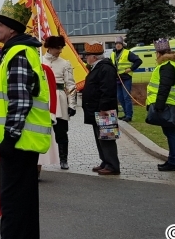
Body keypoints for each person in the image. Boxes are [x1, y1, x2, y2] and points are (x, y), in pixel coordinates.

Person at [0, 0, 51, 239]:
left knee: (12, 205)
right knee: (24, 204)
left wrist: (9, 138)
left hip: (18, 144)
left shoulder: (18, 53)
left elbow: (20, 101)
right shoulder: (20, 51)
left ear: (11, 28)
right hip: (22, 143)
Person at [146, 38, 175, 172]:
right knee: (170, 133)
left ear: (159, 53)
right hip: (173, 104)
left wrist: (159, 106)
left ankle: (174, 162)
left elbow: (164, 87)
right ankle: (172, 160)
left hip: (169, 105)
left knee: (171, 133)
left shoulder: (167, 66)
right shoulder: (173, 65)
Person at [81, 42, 120, 176]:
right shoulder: (97, 67)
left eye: (87, 56)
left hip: (104, 110)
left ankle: (112, 165)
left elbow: (107, 90)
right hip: (96, 109)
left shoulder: (106, 68)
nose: (86, 58)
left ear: (95, 57)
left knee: (107, 138)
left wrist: (104, 107)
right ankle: (105, 161)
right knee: (100, 137)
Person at [42, 36, 78, 170]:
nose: (60, 51)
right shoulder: (39, 60)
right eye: (58, 48)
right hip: (44, 98)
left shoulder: (65, 63)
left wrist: (72, 105)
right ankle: (40, 161)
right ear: (50, 47)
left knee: (61, 132)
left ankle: (64, 159)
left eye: (61, 48)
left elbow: (70, 85)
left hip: (60, 100)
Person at [110, 36, 142, 122]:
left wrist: (131, 69)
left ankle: (129, 115)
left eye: (119, 44)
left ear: (122, 45)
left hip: (126, 78)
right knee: (120, 97)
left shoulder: (127, 53)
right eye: (117, 44)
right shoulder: (113, 54)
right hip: (117, 78)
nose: (118, 45)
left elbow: (138, 61)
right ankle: (125, 113)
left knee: (126, 97)